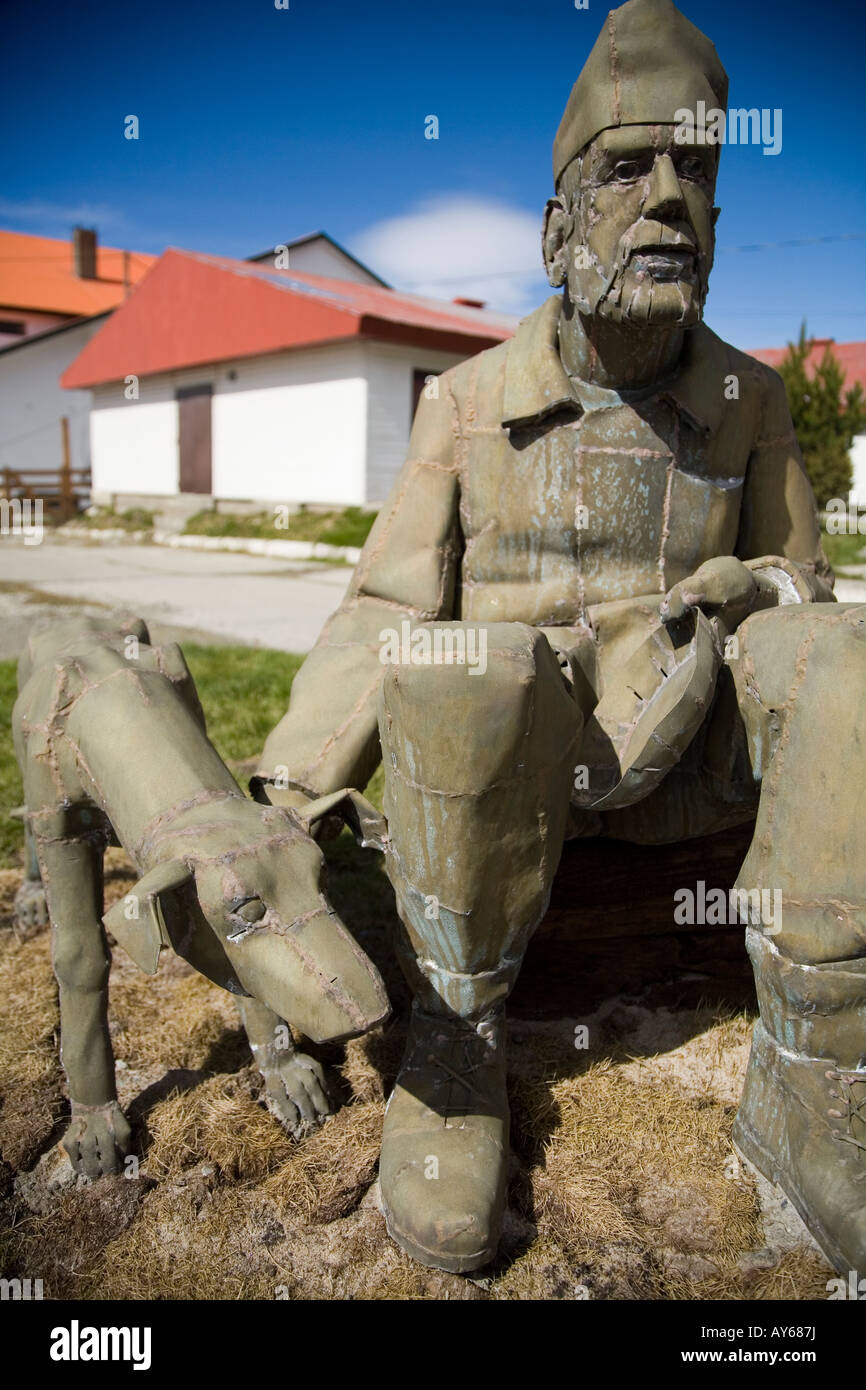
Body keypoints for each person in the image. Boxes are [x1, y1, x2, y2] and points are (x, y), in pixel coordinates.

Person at [252, 0, 864, 1275]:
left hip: (688, 753)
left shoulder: (747, 402)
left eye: (694, 170)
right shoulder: (466, 402)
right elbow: (381, 612)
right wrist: (290, 787)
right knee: (459, 660)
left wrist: (753, 591)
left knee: (849, 653)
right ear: (552, 226)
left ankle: (811, 1070)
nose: (667, 200)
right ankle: (460, 1043)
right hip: (507, 782)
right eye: (626, 169)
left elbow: (802, 587)